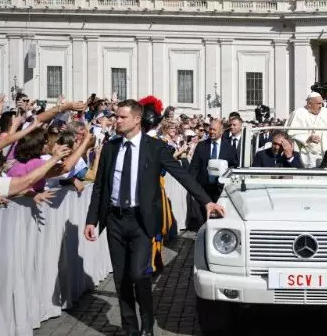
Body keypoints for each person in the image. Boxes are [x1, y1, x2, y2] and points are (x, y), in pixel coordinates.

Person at [84, 100, 225, 336]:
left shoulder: (154, 147)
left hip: (141, 221)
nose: (116, 120)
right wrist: (92, 220)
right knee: (121, 279)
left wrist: (206, 200)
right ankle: (131, 329)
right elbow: (100, 187)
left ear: (136, 119)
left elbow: (181, 174)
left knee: (139, 275)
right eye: (116, 116)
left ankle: (147, 326)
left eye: (121, 117)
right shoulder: (110, 147)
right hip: (115, 220)